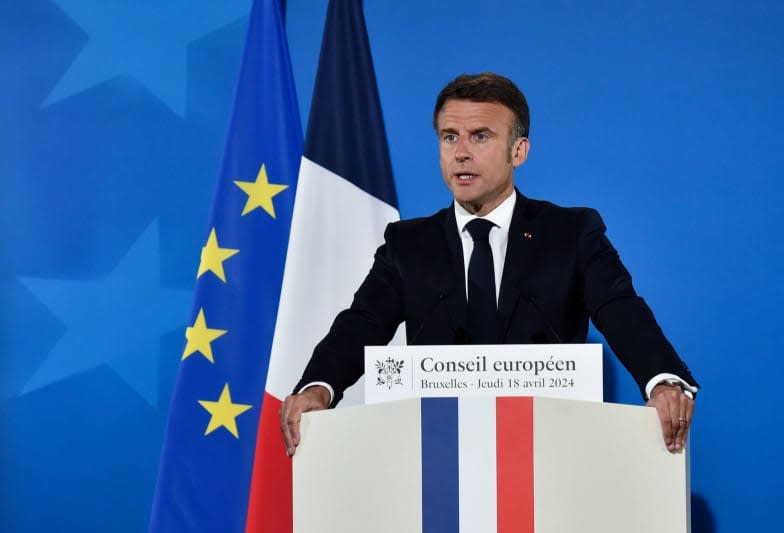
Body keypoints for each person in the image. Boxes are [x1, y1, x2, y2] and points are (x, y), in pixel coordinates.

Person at [280, 72, 698, 456]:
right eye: (449, 137)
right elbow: (362, 322)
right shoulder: (408, 243)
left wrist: (663, 379)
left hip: (548, 450)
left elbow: (620, 308)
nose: (461, 152)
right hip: (436, 455)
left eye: (480, 136)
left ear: (519, 150)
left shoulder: (570, 233)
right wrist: (318, 387)